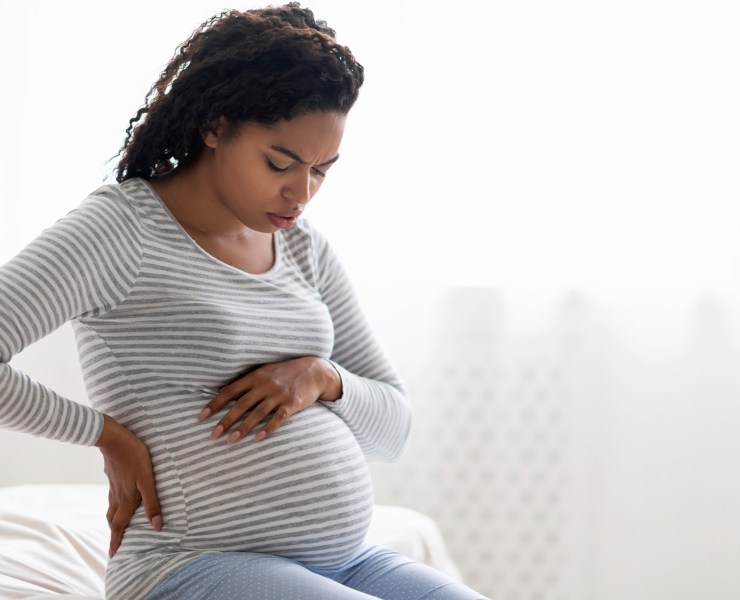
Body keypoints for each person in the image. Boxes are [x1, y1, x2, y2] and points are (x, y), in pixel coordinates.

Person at [0, 3, 488, 599]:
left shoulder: (303, 246)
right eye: (280, 163)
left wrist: (321, 376)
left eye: (322, 170)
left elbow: (394, 429)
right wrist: (107, 434)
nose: (300, 192)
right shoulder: (121, 231)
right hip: (193, 562)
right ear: (215, 126)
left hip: (345, 560)